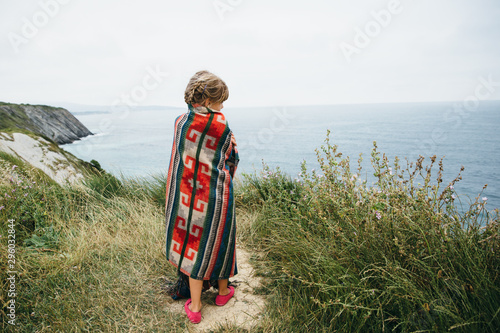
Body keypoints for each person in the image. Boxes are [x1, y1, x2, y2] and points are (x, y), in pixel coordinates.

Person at [164, 70, 239, 324]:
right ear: (208, 102)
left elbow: (179, 162)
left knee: (193, 249)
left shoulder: (180, 122)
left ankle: (195, 307)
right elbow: (232, 157)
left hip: (187, 198)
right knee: (222, 242)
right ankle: (222, 292)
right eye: (221, 102)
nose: (223, 107)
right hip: (217, 197)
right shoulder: (221, 125)